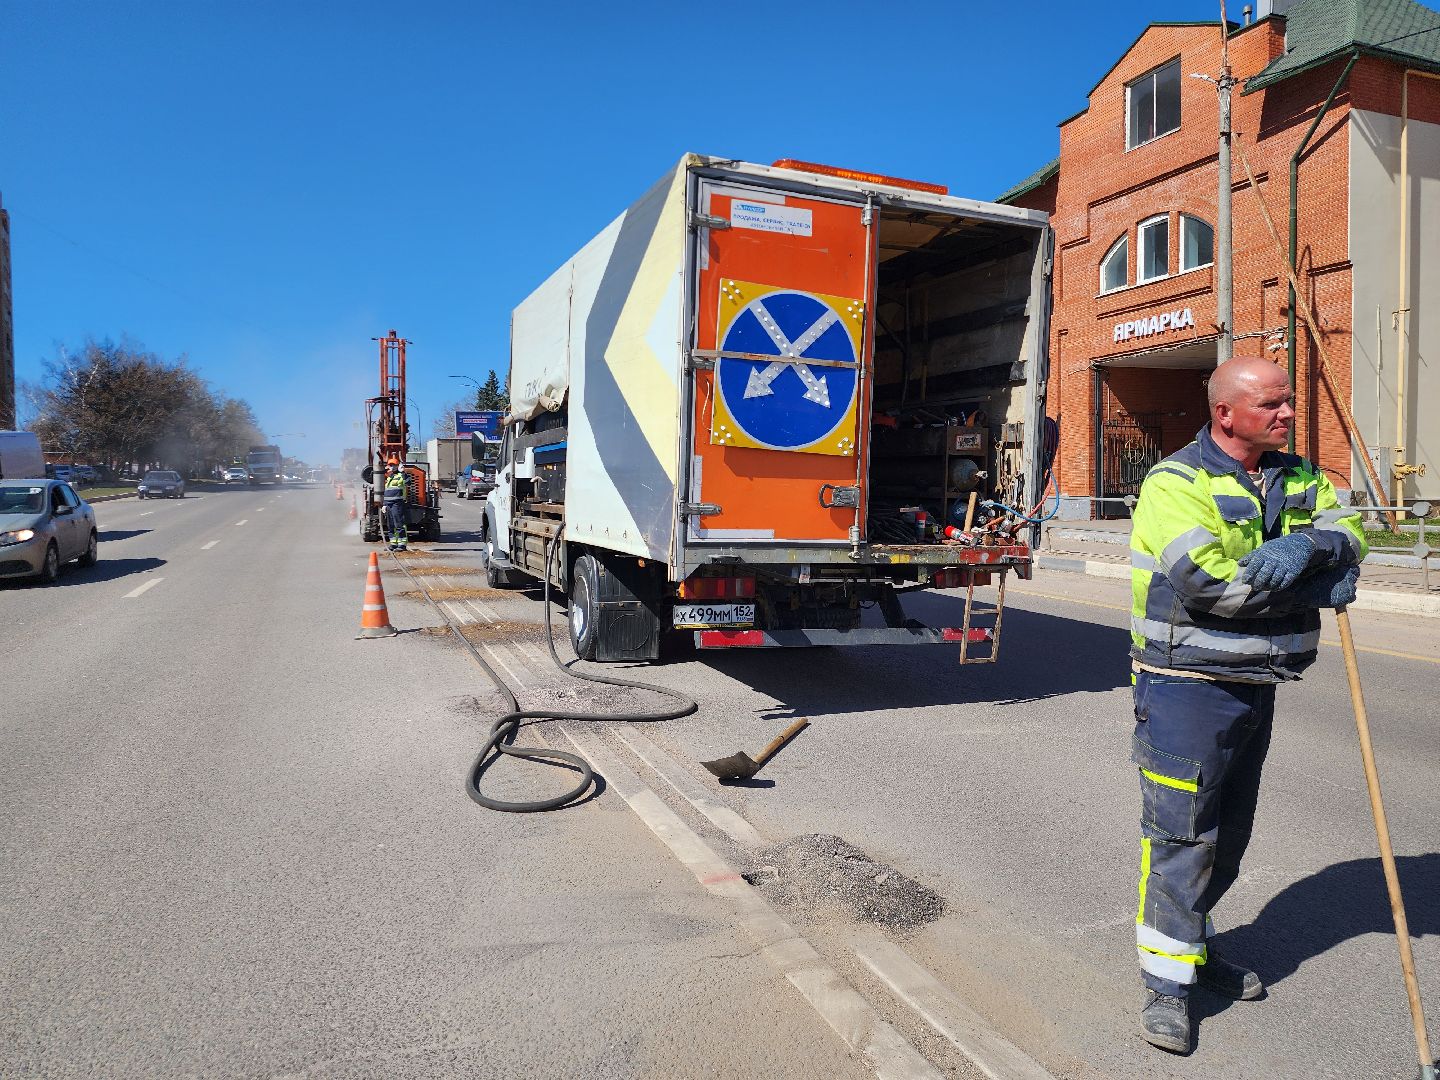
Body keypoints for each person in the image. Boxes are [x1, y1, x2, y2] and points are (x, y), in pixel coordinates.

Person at [1127, 356, 1366, 1054]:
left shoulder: (1297, 475)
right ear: (1225, 413)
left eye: (1288, 402)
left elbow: (1354, 530)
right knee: (1182, 839)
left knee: (1228, 841)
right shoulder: (1175, 480)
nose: (1289, 414)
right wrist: (1317, 588)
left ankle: (1194, 950)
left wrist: (1316, 541)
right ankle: (1166, 990)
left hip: (1257, 685)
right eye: (1273, 405)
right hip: (1185, 690)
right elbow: (1211, 587)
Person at [382, 458, 410, 551]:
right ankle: (393, 544)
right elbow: (387, 492)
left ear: (398, 466)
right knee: (390, 525)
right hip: (389, 504)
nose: (392, 467)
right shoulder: (390, 477)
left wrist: (403, 472)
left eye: (394, 465)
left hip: (397, 504)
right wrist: (384, 504)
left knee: (399, 523)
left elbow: (408, 482)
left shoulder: (401, 476)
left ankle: (402, 545)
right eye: (391, 465)